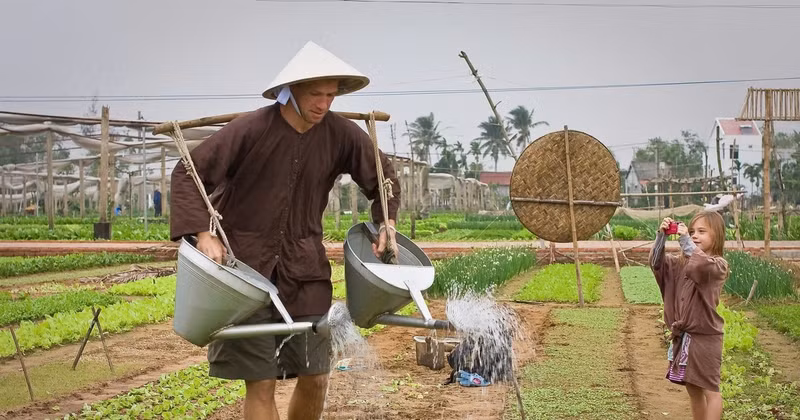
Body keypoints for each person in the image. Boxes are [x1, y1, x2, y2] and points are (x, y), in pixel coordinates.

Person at [169, 41, 401, 420]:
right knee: (261, 383)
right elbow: (187, 173)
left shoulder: (341, 134)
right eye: (315, 94)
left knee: (316, 376)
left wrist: (387, 225)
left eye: (330, 95)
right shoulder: (250, 129)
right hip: (245, 274)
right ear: (290, 90)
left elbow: (382, 177)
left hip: (305, 274)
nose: (323, 104)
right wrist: (203, 234)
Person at [649, 212, 729, 420]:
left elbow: (701, 265)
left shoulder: (717, 265)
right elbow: (657, 264)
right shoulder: (679, 263)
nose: (694, 235)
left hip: (705, 338)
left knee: (711, 390)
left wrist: (685, 240)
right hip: (685, 338)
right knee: (693, 389)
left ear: (717, 235)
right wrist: (661, 236)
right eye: (692, 231)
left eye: (702, 231)